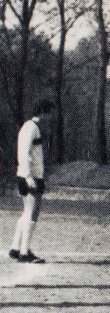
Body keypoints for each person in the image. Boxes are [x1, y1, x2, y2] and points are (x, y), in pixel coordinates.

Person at [9, 99, 54, 264]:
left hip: (30, 175)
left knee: (27, 211)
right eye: (49, 112)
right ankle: (25, 251)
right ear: (43, 111)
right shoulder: (31, 128)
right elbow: (24, 153)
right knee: (32, 213)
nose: (51, 117)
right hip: (30, 176)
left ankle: (15, 247)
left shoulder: (31, 127)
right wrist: (29, 177)